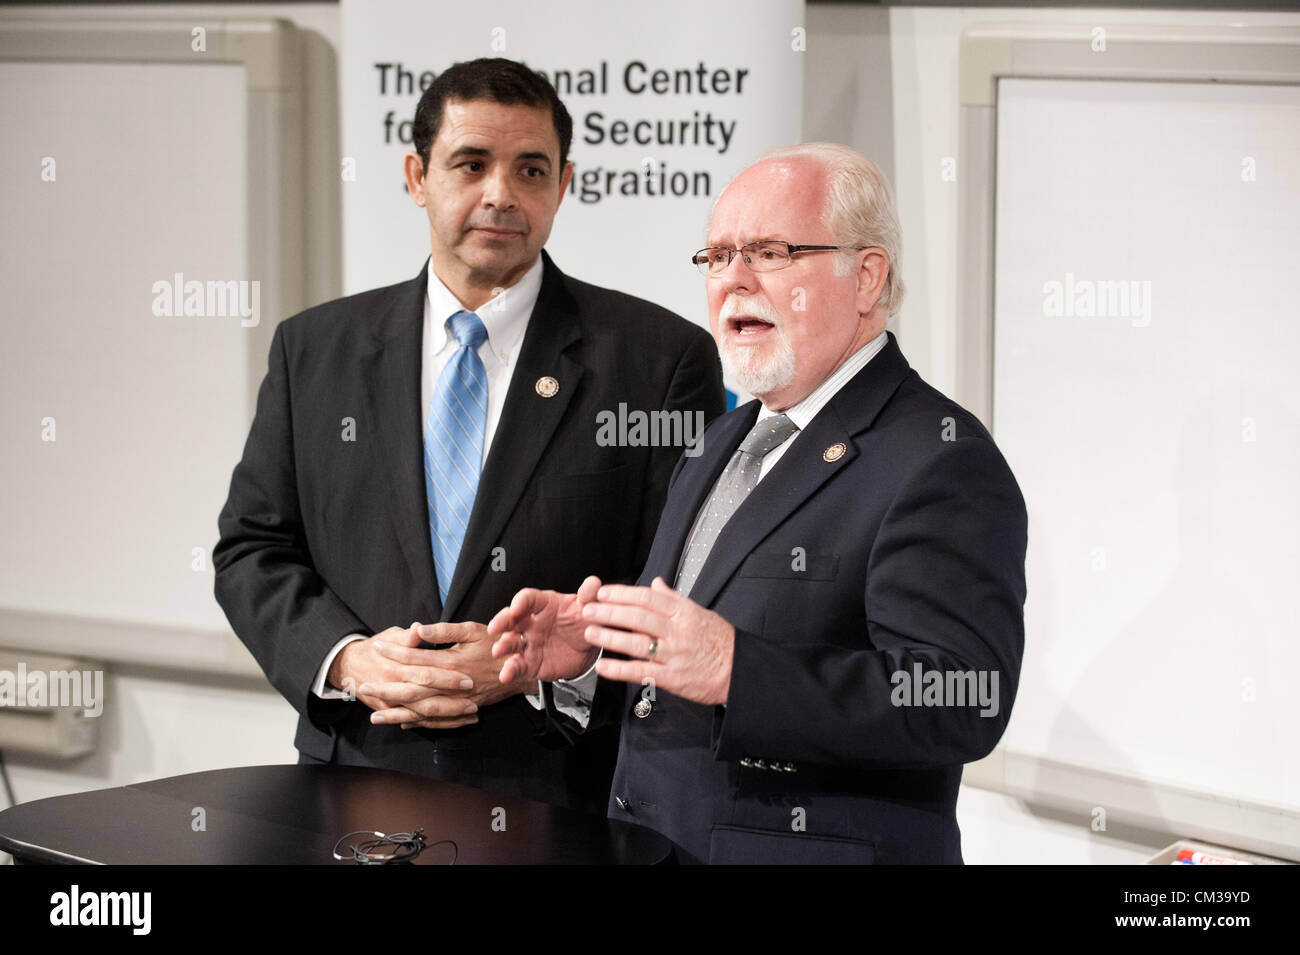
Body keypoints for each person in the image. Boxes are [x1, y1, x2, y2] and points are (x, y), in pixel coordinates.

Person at [488, 142, 1027, 861]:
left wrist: (740, 670)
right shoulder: (722, 440)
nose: (733, 281)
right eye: (716, 257)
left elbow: (963, 696)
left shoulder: (941, 458)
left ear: (866, 277)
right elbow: (679, 673)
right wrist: (593, 659)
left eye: (769, 252)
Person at [213, 58, 724, 813]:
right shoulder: (314, 349)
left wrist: (545, 668)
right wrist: (348, 658)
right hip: (353, 777)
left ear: (564, 184)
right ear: (417, 175)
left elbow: (678, 584)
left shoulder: (656, 361)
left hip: (559, 796)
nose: (501, 194)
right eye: (472, 163)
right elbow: (253, 548)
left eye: (530, 170)